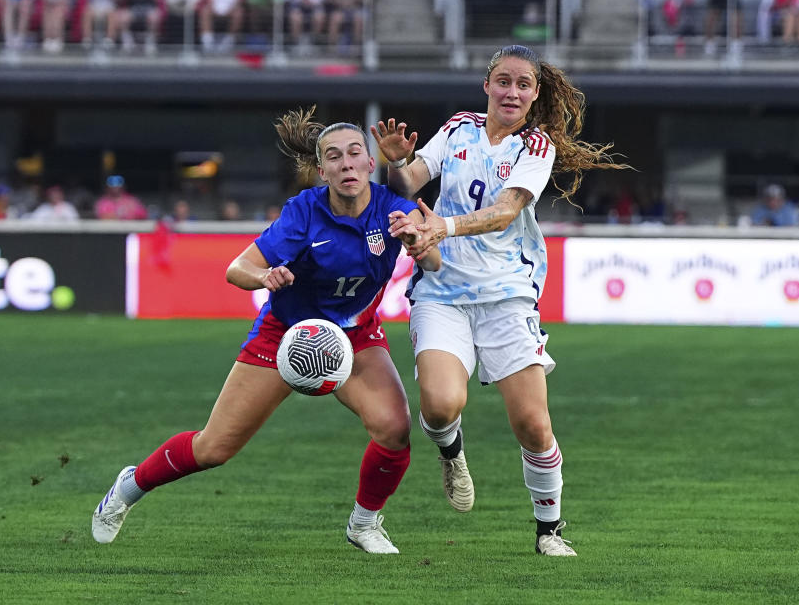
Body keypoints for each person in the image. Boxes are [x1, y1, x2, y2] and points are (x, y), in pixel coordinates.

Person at [91, 107, 441, 554]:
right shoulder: (303, 213)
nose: (347, 163)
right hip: (286, 335)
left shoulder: (396, 209)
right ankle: (127, 488)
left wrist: (420, 245)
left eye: (356, 153)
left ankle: (364, 523)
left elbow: (433, 263)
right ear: (321, 171)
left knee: (394, 430)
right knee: (213, 448)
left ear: (371, 164)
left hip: (355, 334)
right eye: (334, 157)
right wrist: (265, 277)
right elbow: (238, 269)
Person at [371, 44, 627, 556]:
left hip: (508, 292)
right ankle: (452, 452)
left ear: (535, 94)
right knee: (442, 406)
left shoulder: (536, 146)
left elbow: (506, 212)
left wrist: (443, 225)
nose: (512, 91)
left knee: (533, 424)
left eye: (523, 84)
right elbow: (411, 181)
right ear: (486, 85)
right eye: (503, 81)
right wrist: (396, 163)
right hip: (442, 288)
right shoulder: (459, 127)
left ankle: (548, 531)